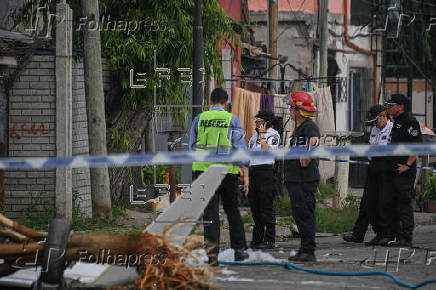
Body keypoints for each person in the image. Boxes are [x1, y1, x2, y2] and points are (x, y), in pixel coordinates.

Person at [189, 88, 249, 264]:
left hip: (204, 171)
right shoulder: (232, 119)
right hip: (227, 172)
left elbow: (192, 147)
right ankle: (239, 251)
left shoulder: (199, 119)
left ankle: (212, 256)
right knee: (232, 210)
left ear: (210, 101)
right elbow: (240, 149)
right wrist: (245, 172)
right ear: (226, 102)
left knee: (210, 212)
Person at [342, 105, 393, 245]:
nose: (374, 125)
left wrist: (375, 149)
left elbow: (387, 151)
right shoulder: (375, 130)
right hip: (373, 167)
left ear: (384, 115)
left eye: (376, 121)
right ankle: (358, 234)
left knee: (382, 203)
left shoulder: (392, 129)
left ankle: (384, 234)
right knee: (366, 203)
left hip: (386, 168)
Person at [284, 91, 320, 262]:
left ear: (298, 110)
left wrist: (305, 158)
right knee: (299, 214)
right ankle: (304, 248)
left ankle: (308, 250)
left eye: (292, 107)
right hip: (296, 179)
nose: (290, 110)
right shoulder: (298, 128)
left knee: (305, 214)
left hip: (303, 179)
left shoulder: (309, 126)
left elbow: (314, 141)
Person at [385, 94, 422, 247]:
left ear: (400, 106)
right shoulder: (396, 122)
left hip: (404, 171)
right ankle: (396, 235)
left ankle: (406, 237)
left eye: (391, 105)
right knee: (392, 203)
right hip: (394, 169)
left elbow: (416, 146)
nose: (388, 107)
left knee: (404, 204)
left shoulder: (410, 122)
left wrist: (407, 165)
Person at [247, 110, 281, 249]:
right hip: (253, 171)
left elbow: (268, 151)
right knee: (255, 208)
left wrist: (262, 136)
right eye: (256, 121)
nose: (256, 123)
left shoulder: (274, 135)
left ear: (266, 122)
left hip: (266, 171)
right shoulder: (253, 137)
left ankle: (270, 239)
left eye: (259, 121)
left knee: (266, 207)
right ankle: (257, 238)